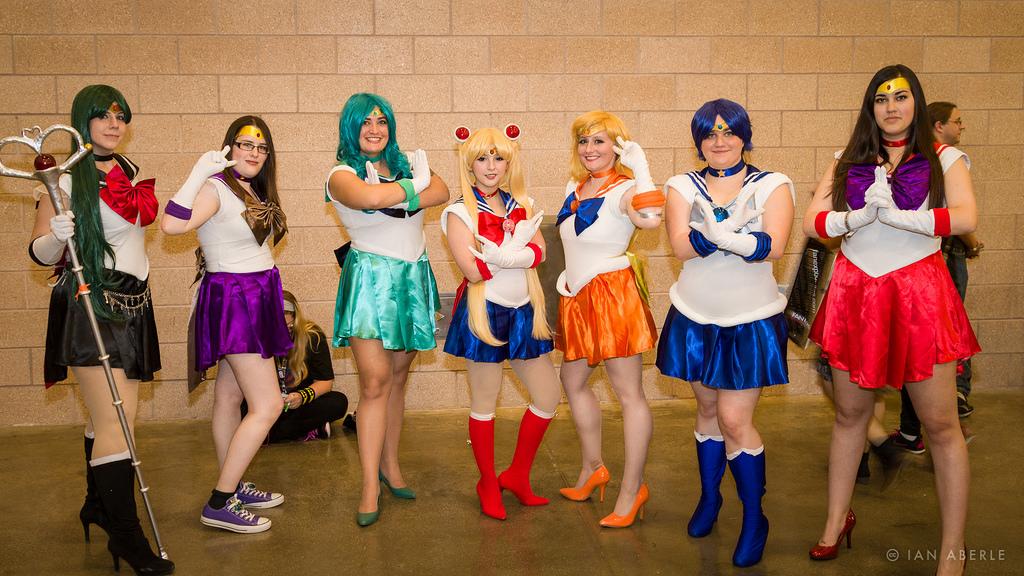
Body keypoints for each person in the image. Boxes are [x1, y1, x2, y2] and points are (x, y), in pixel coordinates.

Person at [805, 65, 979, 576]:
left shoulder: (944, 156)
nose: (892, 106)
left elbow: (967, 217)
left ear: (916, 103)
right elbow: (816, 222)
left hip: (918, 293)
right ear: (870, 107)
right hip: (856, 291)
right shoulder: (848, 160)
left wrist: (908, 218)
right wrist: (853, 218)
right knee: (849, 416)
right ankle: (836, 521)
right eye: (882, 98)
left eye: (902, 96)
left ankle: (953, 548)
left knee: (941, 425)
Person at [29, 84, 172, 574]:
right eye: (103, 115)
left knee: (107, 419)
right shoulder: (64, 178)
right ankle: (128, 539)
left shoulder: (127, 171)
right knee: (118, 424)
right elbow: (38, 252)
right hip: (92, 304)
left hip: (133, 306)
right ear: (81, 120)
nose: (114, 124)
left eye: (120, 116)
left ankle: (96, 505)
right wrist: (55, 236)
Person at [656, 99, 794, 567]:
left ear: (743, 135)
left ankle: (755, 516)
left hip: (749, 319)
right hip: (694, 314)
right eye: (710, 133)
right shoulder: (680, 185)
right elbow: (679, 245)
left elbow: (773, 247)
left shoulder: (772, 184)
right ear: (699, 140)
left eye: (728, 131)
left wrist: (729, 236)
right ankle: (710, 498)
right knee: (708, 408)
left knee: (736, 420)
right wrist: (717, 236)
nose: (719, 140)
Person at [162, 116, 292, 534]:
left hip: (257, 292)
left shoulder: (252, 190)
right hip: (236, 300)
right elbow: (171, 226)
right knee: (268, 405)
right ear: (229, 147)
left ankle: (231, 484)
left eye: (261, 147)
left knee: (229, 396)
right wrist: (199, 172)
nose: (253, 153)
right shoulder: (215, 187)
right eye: (245, 144)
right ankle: (220, 501)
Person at [325, 93, 450, 526]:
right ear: (351, 128)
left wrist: (407, 188)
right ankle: (368, 485)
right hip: (369, 282)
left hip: (412, 280)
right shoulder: (340, 174)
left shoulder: (403, 162)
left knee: (398, 378)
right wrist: (414, 188)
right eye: (366, 123)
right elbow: (368, 198)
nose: (375, 130)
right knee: (375, 381)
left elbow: (444, 189)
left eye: (382, 122)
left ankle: (391, 466)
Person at [441, 125, 561, 520]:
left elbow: (541, 253)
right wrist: (516, 251)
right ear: (469, 163)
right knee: (484, 403)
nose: (491, 167)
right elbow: (471, 270)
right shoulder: (458, 211)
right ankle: (487, 481)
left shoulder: (521, 204)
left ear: (510, 163)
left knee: (547, 396)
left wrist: (507, 255)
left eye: (499, 157)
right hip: (484, 311)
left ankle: (518, 475)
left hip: (524, 309)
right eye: (482, 158)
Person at [555, 110, 665, 528]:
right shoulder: (575, 187)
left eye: (600, 141)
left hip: (613, 296)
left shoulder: (626, 189)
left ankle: (632, 488)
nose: (590, 149)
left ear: (617, 145)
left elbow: (651, 221)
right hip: (578, 295)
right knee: (573, 381)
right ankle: (592, 469)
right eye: (583, 141)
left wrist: (642, 170)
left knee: (628, 393)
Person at [894, 101, 980, 452]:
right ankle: (914, 428)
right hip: (925, 265)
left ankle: (950, 398)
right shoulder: (916, 161)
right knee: (920, 350)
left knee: (938, 345)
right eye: (957, 122)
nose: (961, 128)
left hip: (933, 267)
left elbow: (964, 218)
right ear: (938, 124)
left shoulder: (948, 160)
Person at [245, 290, 349, 443]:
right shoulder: (257, 337)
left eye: (289, 325)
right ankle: (309, 428)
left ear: (295, 318)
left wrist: (301, 396)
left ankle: (270, 435)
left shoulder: (312, 336)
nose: (285, 331)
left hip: (299, 403)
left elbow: (325, 382)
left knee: (339, 402)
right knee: (241, 408)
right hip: (269, 403)